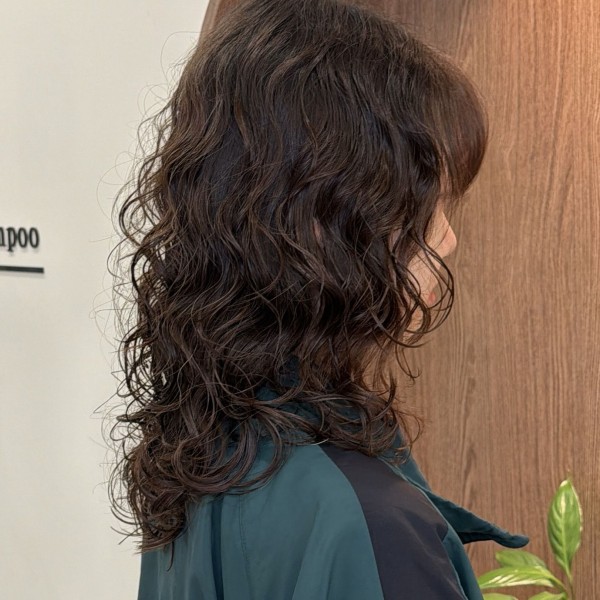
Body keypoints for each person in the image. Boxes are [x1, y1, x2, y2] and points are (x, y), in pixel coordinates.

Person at [107, 0, 529, 597]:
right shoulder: (372, 528)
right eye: (426, 201)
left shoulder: (198, 458)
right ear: (320, 221)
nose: (449, 238)